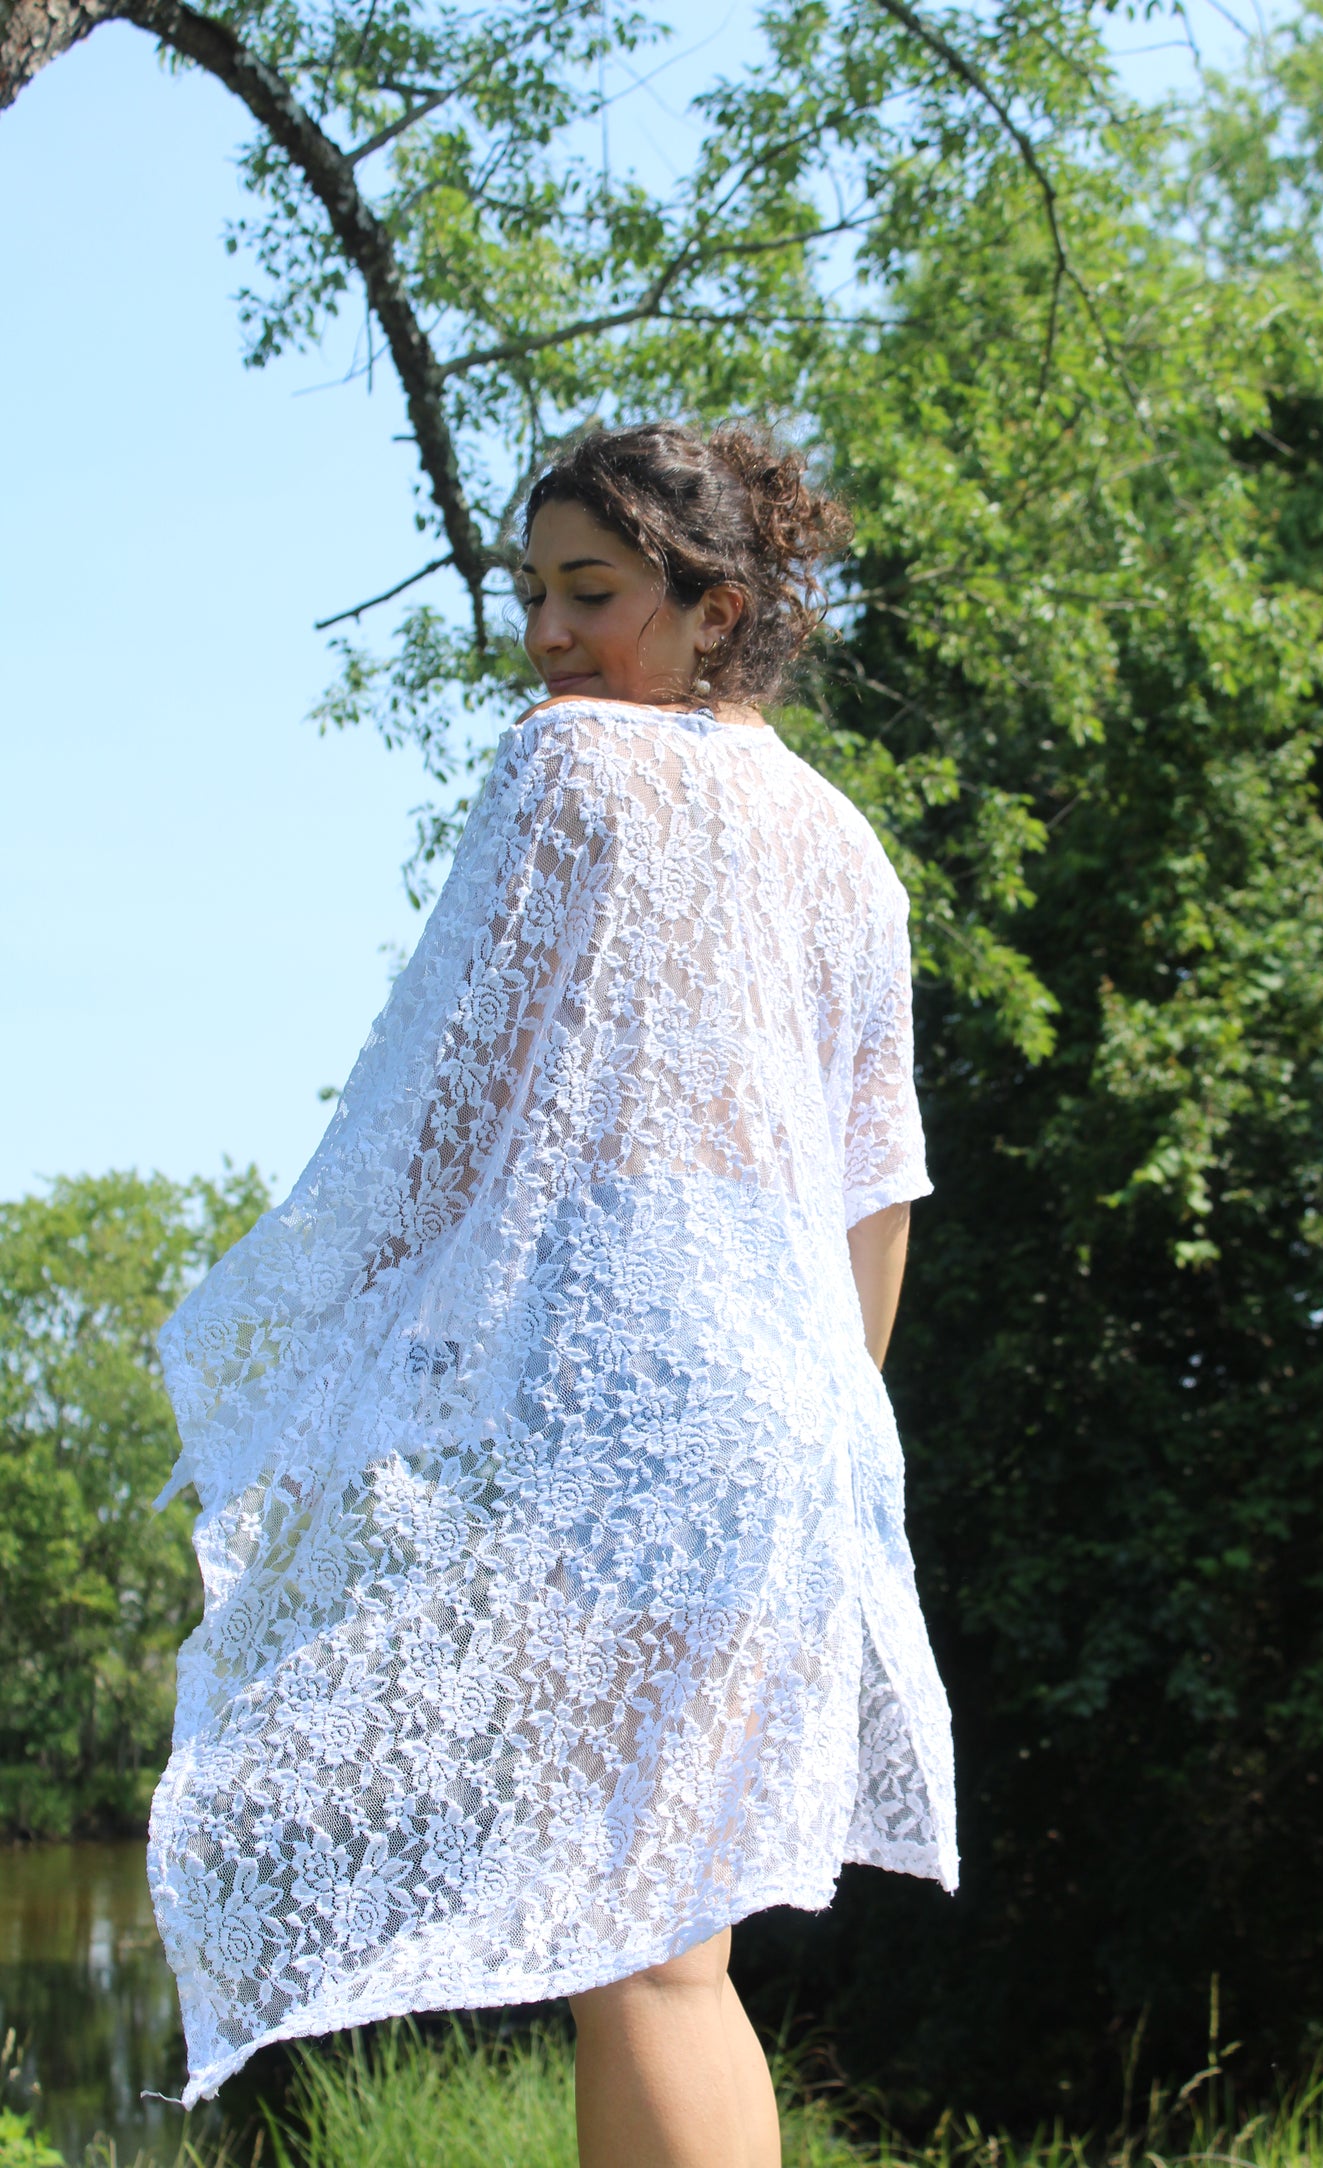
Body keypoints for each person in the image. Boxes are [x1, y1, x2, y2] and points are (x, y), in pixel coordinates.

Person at [148, 421, 958, 2168]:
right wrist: (827, 1440)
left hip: (625, 1389)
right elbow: (876, 1191)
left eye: (589, 592)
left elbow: (444, 1120)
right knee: (674, 1943)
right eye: (531, 594)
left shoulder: (570, 766)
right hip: (791, 1414)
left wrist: (319, 1365)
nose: (545, 636)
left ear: (713, 608)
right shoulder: (847, 848)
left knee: (636, 1941)